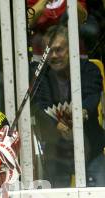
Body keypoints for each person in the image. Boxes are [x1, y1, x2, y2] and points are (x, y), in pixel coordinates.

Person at [32, 25, 105, 187]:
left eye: (59, 50)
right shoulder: (40, 75)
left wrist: (80, 114)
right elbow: (40, 105)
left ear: (72, 50)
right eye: (49, 51)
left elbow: (92, 96)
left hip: (91, 148)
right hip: (56, 153)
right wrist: (55, 124)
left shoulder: (89, 69)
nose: (54, 56)